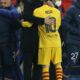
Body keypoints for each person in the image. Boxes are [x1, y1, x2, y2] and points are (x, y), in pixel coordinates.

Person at [20, 0, 53, 80]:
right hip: (29, 40)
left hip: (41, 40)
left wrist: (52, 6)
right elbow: (26, 16)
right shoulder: (28, 2)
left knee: (38, 66)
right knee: (28, 66)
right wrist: (43, 20)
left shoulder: (46, 4)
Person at [33, 0, 63, 80]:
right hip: (56, 42)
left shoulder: (37, 11)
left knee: (45, 66)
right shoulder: (57, 11)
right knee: (58, 65)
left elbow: (32, 23)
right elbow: (59, 25)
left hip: (45, 43)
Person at [0, 0, 21, 79]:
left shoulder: (13, 11)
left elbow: (14, 15)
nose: (2, 4)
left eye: (4, 2)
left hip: (12, 46)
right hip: (4, 45)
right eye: (1, 3)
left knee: (13, 68)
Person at [61, 0, 80, 79]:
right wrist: (77, 31)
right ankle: (64, 76)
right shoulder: (72, 9)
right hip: (73, 41)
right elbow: (64, 24)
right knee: (72, 63)